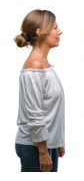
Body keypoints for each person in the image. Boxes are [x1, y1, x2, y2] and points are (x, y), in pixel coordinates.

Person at [14, 9, 65, 172]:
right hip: (34, 147)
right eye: (55, 27)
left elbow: (50, 108)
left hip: (46, 145)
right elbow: (35, 115)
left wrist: (57, 142)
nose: (60, 31)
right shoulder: (34, 68)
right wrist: (43, 152)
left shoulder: (45, 65)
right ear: (40, 32)